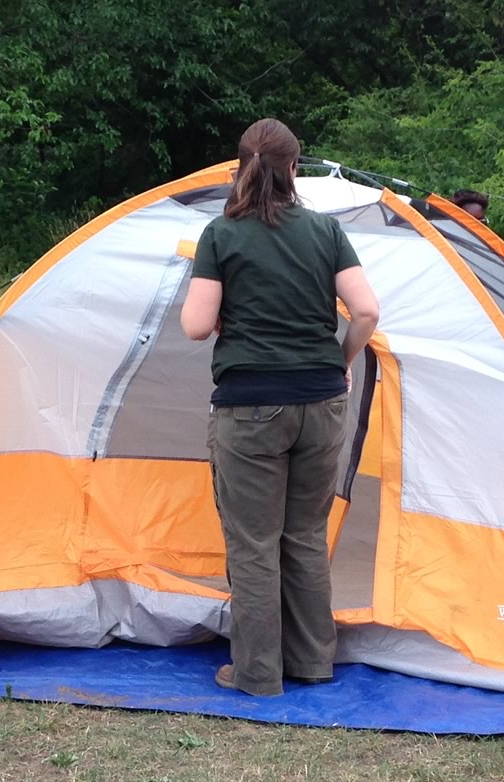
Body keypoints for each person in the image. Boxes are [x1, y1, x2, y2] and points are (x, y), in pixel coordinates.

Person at [180, 118, 380, 696]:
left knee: (253, 544)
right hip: (321, 403)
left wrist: (227, 315)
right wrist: (341, 361)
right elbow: (366, 312)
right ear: (295, 168)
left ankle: (258, 673)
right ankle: (314, 662)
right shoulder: (324, 231)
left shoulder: (222, 234)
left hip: (250, 408)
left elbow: (195, 326)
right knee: (305, 537)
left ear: (238, 169)